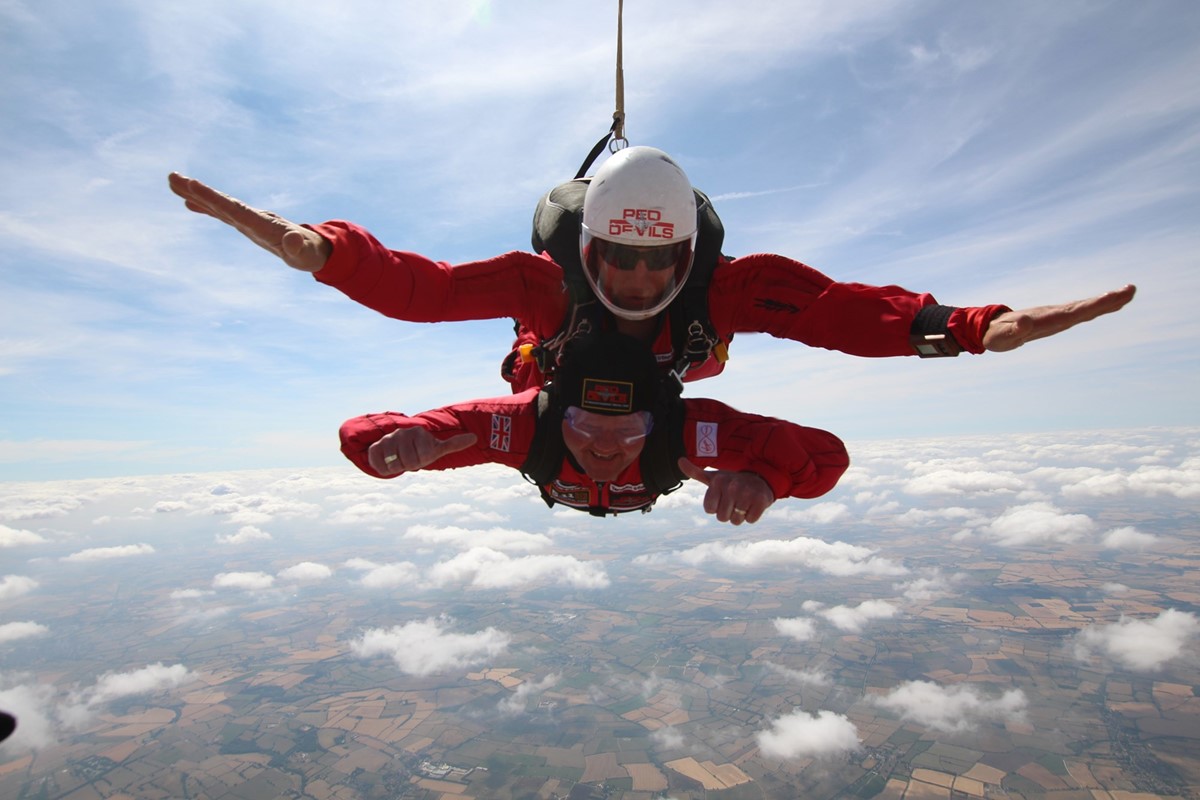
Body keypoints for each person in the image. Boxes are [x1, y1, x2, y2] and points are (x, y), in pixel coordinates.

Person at [167, 148, 1135, 394]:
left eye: (653, 263)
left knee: (695, 351)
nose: (633, 283)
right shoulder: (540, 288)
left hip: (681, 372)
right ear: (585, 251)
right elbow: (421, 288)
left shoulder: (729, 288)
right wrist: (315, 248)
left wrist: (973, 326)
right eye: (616, 262)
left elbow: (844, 312)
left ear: (685, 253)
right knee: (534, 363)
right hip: (556, 366)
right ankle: (536, 368)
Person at [339, 332, 849, 523]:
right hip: (544, 382)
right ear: (560, 414)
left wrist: (767, 480)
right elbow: (362, 443)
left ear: (656, 421)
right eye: (584, 425)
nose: (605, 447)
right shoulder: (521, 424)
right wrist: (404, 435)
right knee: (529, 362)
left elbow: (827, 457)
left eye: (629, 431)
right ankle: (539, 337)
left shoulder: (686, 429)